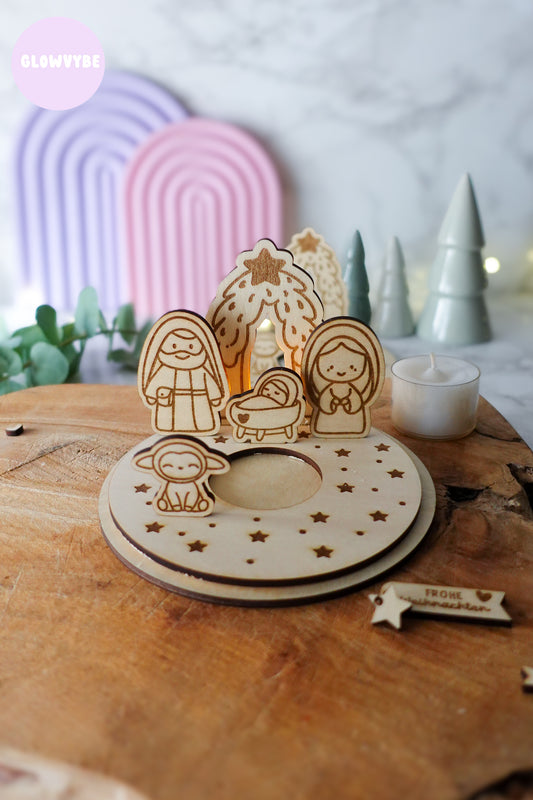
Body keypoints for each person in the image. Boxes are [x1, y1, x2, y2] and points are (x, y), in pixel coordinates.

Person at [139, 311, 229, 435]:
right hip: (171, 407)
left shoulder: (201, 371)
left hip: (198, 404)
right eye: (174, 346)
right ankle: (168, 426)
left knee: (200, 421)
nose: (182, 352)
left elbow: (211, 384)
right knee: (170, 421)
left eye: (191, 347)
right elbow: (155, 384)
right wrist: (153, 395)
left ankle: (202, 427)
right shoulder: (164, 371)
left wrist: (215, 397)